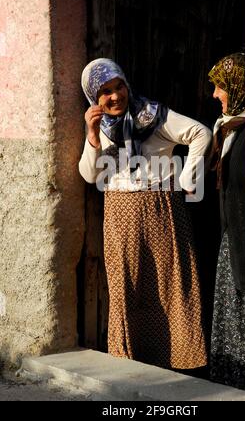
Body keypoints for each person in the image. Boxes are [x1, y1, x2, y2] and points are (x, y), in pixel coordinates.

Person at [79, 58, 212, 370]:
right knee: (127, 286)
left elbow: (201, 133)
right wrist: (93, 136)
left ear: (127, 84)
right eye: (105, 92)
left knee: (169, 284)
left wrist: (185, 178)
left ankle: (181, 361)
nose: (115, 96)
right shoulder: (100, 127)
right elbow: (88, 175)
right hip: (119, 216)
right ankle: (130, 360)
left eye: (118, 86)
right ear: (93, 98)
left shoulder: (153, 115)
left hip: (161, 211)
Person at [208, 52, 245, 393]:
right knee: (232, 316)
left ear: (240, 87)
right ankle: (231, 384)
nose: (214, 95)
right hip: (233, 241)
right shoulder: (230, 128)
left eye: (220, 87)